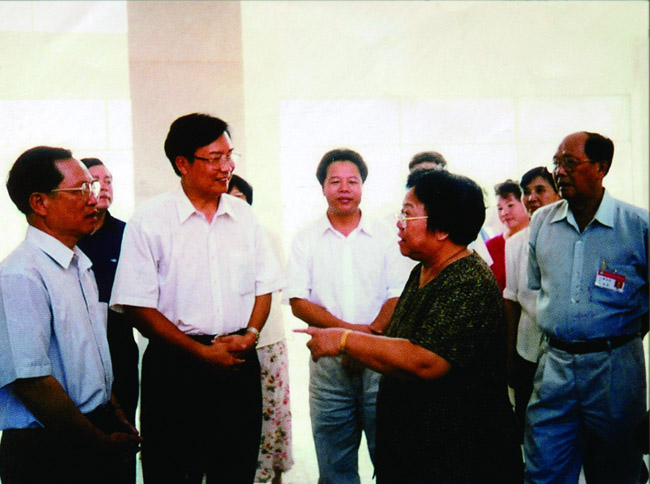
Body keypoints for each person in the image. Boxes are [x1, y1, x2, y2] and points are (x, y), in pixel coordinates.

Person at [297, 169, 523, 484]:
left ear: (442, 228)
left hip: (460, 457)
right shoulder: (424, 270)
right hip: (419, 451)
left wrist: (345, 340)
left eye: (408, 214)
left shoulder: (467, 280)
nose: (399, 223)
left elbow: (426, 361)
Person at [110, 113, 284, 484]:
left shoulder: (244, 217)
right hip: (174, 366)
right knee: (172, 472)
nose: (227, 167)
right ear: (183, 164)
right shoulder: (150, 220)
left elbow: (264, 286)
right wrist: (201, 353)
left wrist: (251, 335)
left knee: (235, 470)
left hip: (237, 359)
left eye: (230, 156)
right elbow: (138, 306)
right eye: (215, 158)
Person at [0, 146, 142, 484]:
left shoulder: (79, 265)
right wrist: (97, 442)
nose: (94, 199)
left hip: (93, 427)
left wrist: (114, 412)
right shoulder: (22, 275)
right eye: (81, 190)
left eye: (93, 187)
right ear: (40, 203)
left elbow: (90, 356)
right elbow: (32, 383)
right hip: (49, 445)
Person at [524, 131, 648, 484]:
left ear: (601, 167)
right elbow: (538, 286)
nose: (559, 172)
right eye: (556, 163)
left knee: (617, 470)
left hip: (615, 367)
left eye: (570, 163)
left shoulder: (637, 226)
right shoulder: (542, 223)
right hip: (555, 364)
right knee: (544, 469)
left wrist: (621, 340)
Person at [286, 148, 407, 484]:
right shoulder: (305, 238)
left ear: (362, 186)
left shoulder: (387, 235)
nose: (344, 189)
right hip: (328, 363)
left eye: (352, 181)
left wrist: (361, 341)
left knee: (392, 458)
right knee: (334, 466)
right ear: (322, 187)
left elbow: (398, 295)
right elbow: (298, 301)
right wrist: (351, 337)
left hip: (381, 359)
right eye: (335, 181)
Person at [227, 174, 294, 484]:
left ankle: (274, 475)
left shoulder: (266, 236)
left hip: (266, 339)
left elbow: (273, 286)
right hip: (229, 342)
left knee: (272, 411)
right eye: (229, 199)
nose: (234, 205)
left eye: (240, 199)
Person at [77, 158, 140, 429]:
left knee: (123, 429)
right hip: (78, 349)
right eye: (95, 182)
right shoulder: (69, 235)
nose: (104, 187)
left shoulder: (129, 235)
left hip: (119, 347)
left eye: (109, 181)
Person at [503, 166, 560, 441]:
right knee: (528, 423)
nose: (532, 198)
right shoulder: (515, 243)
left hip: (564, 350)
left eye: (540, 190)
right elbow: (512, 300)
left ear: (559, 194)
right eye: (526, 192)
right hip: (527, 348)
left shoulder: (572, 238)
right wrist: (510, 356)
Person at [486, 179, 529, 291]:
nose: (504, 213)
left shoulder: (538, 239)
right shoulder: (490, 247)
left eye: (510, 205)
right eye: (500, 208)